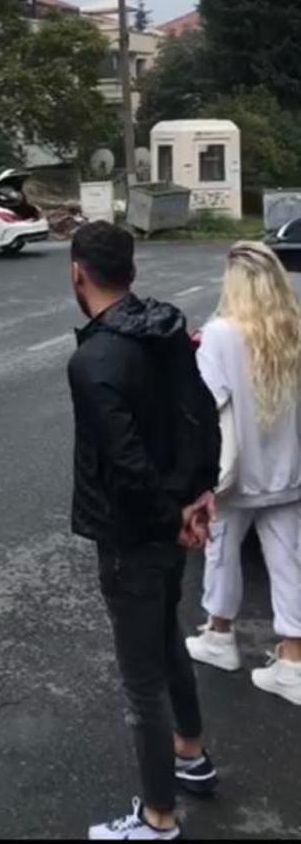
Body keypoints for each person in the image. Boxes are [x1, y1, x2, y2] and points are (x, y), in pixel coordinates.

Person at [67, 221, 221, 842]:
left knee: (142, 680)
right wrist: (199, 495)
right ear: (130, 269)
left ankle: (158, 817)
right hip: (173, 516)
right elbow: (204, 411)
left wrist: (170, 518)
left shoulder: (93, 361)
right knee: (167, 640)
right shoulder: (164, 326)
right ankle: (192, 754)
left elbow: (124, 466)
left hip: (133, 536)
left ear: (76, 272)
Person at [186, 241, 301, 705]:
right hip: (290, 474)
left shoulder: (219, 334)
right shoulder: (293, 330)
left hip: (236, 478)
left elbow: (206, 407)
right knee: (290, 565)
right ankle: (293, 663)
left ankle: (219, 637)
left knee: (220, 555)